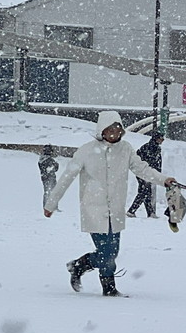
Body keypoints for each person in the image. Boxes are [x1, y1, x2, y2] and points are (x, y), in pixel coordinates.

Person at [43, 111, 176, 297]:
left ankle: (79, 266)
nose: (114, 133)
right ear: (101, 131)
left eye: (117, 129)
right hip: (93, 209)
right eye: (110, 130)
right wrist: (51, 204)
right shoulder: (86, 151)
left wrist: (164, 180)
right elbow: (67, 177)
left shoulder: (126, 149)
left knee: (112, 253)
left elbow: (142, 169)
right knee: (106, 254)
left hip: (116, 210)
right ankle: (108, 287)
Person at [127, 131, 164, 217]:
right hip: (143, 172)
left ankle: (150, 213)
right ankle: (131, 211)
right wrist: (151, 170)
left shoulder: (156, 148)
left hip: (148, 172)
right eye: (161, 139)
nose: (162, 141)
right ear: (156, 139)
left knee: (146, 192)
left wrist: (157, 173)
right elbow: (143, 160)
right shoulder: (149, 147)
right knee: (144, 191)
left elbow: (157, 162)